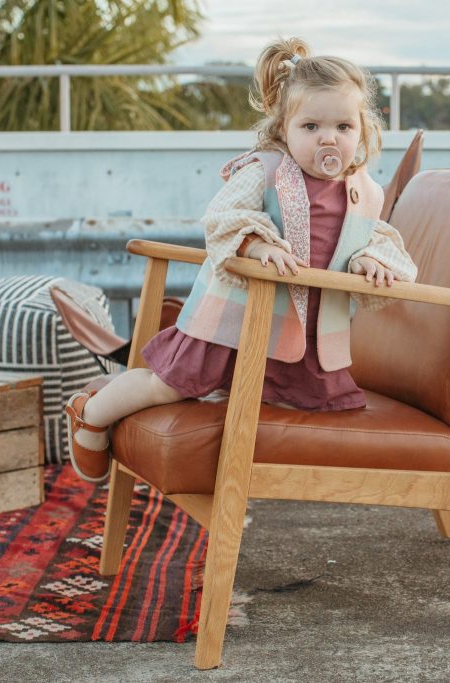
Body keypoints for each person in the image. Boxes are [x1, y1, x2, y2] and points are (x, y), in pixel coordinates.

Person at [64, 37, 417, 483]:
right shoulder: (265, 171)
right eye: (311, 127)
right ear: (283, 127)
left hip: (300, 335)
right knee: (169, 385)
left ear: (361, 131)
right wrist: (257, 245)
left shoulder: (363, 191)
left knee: (315, 400)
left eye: (343, 127)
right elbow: (222, 217)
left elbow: (372, 236)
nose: (328, 139)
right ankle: (91, 415)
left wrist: (372, 259)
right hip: (235, 319)